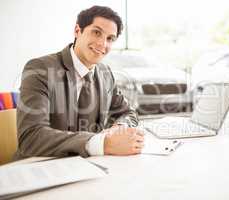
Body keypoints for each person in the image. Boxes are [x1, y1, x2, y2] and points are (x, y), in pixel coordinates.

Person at [14, 5, 144, 160]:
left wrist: (119, 128)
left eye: (110, 39)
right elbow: (31, 137)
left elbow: (128, 113)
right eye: (97, 33)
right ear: (77, 31)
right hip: (40, 166)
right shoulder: (39, 69)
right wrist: (103, 143)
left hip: (88, 166)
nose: (103, 44)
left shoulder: (105, 73)